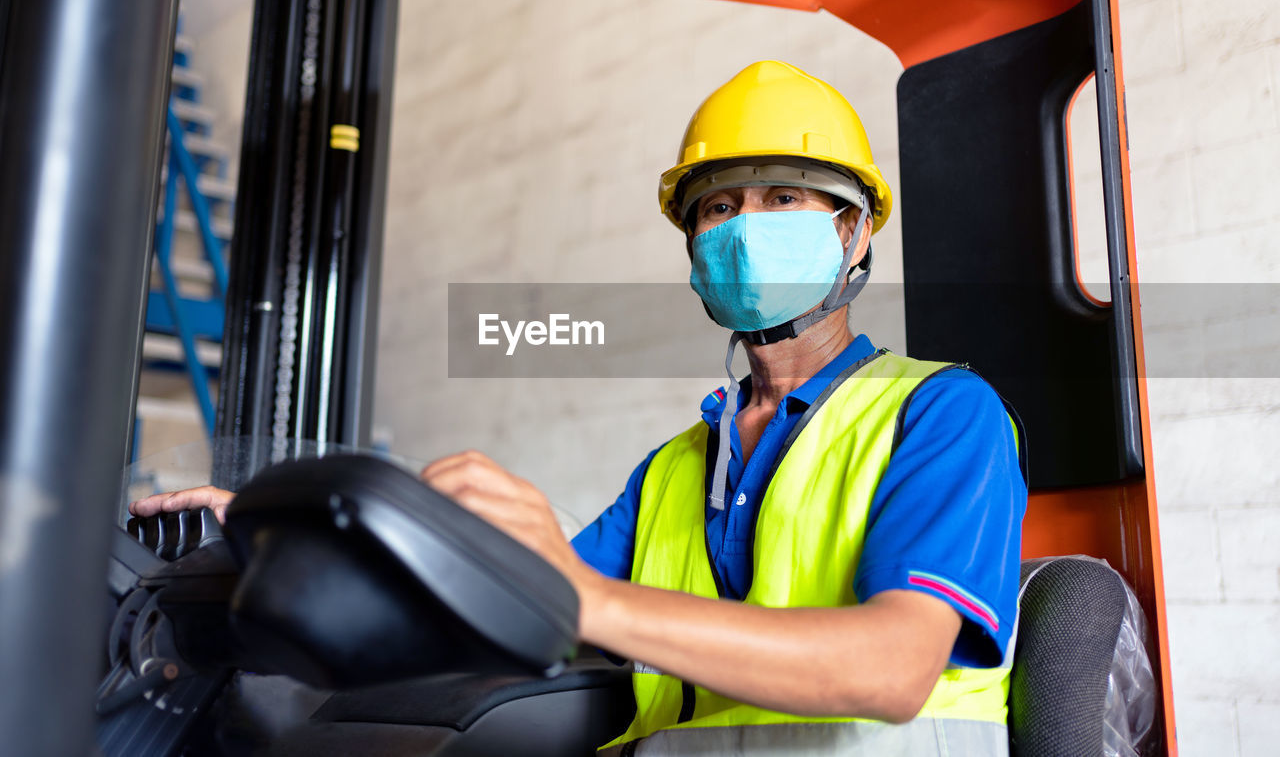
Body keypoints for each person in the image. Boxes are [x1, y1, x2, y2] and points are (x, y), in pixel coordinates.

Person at [132, 60, 1026, 755]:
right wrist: (296, 535)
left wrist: (586, 595)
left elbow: (896, 666)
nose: (745, 226)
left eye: (784, 196)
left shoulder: (943, 414)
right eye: (719, 205)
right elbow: (522, 602)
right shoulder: (681, 467)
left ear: (854, 229)